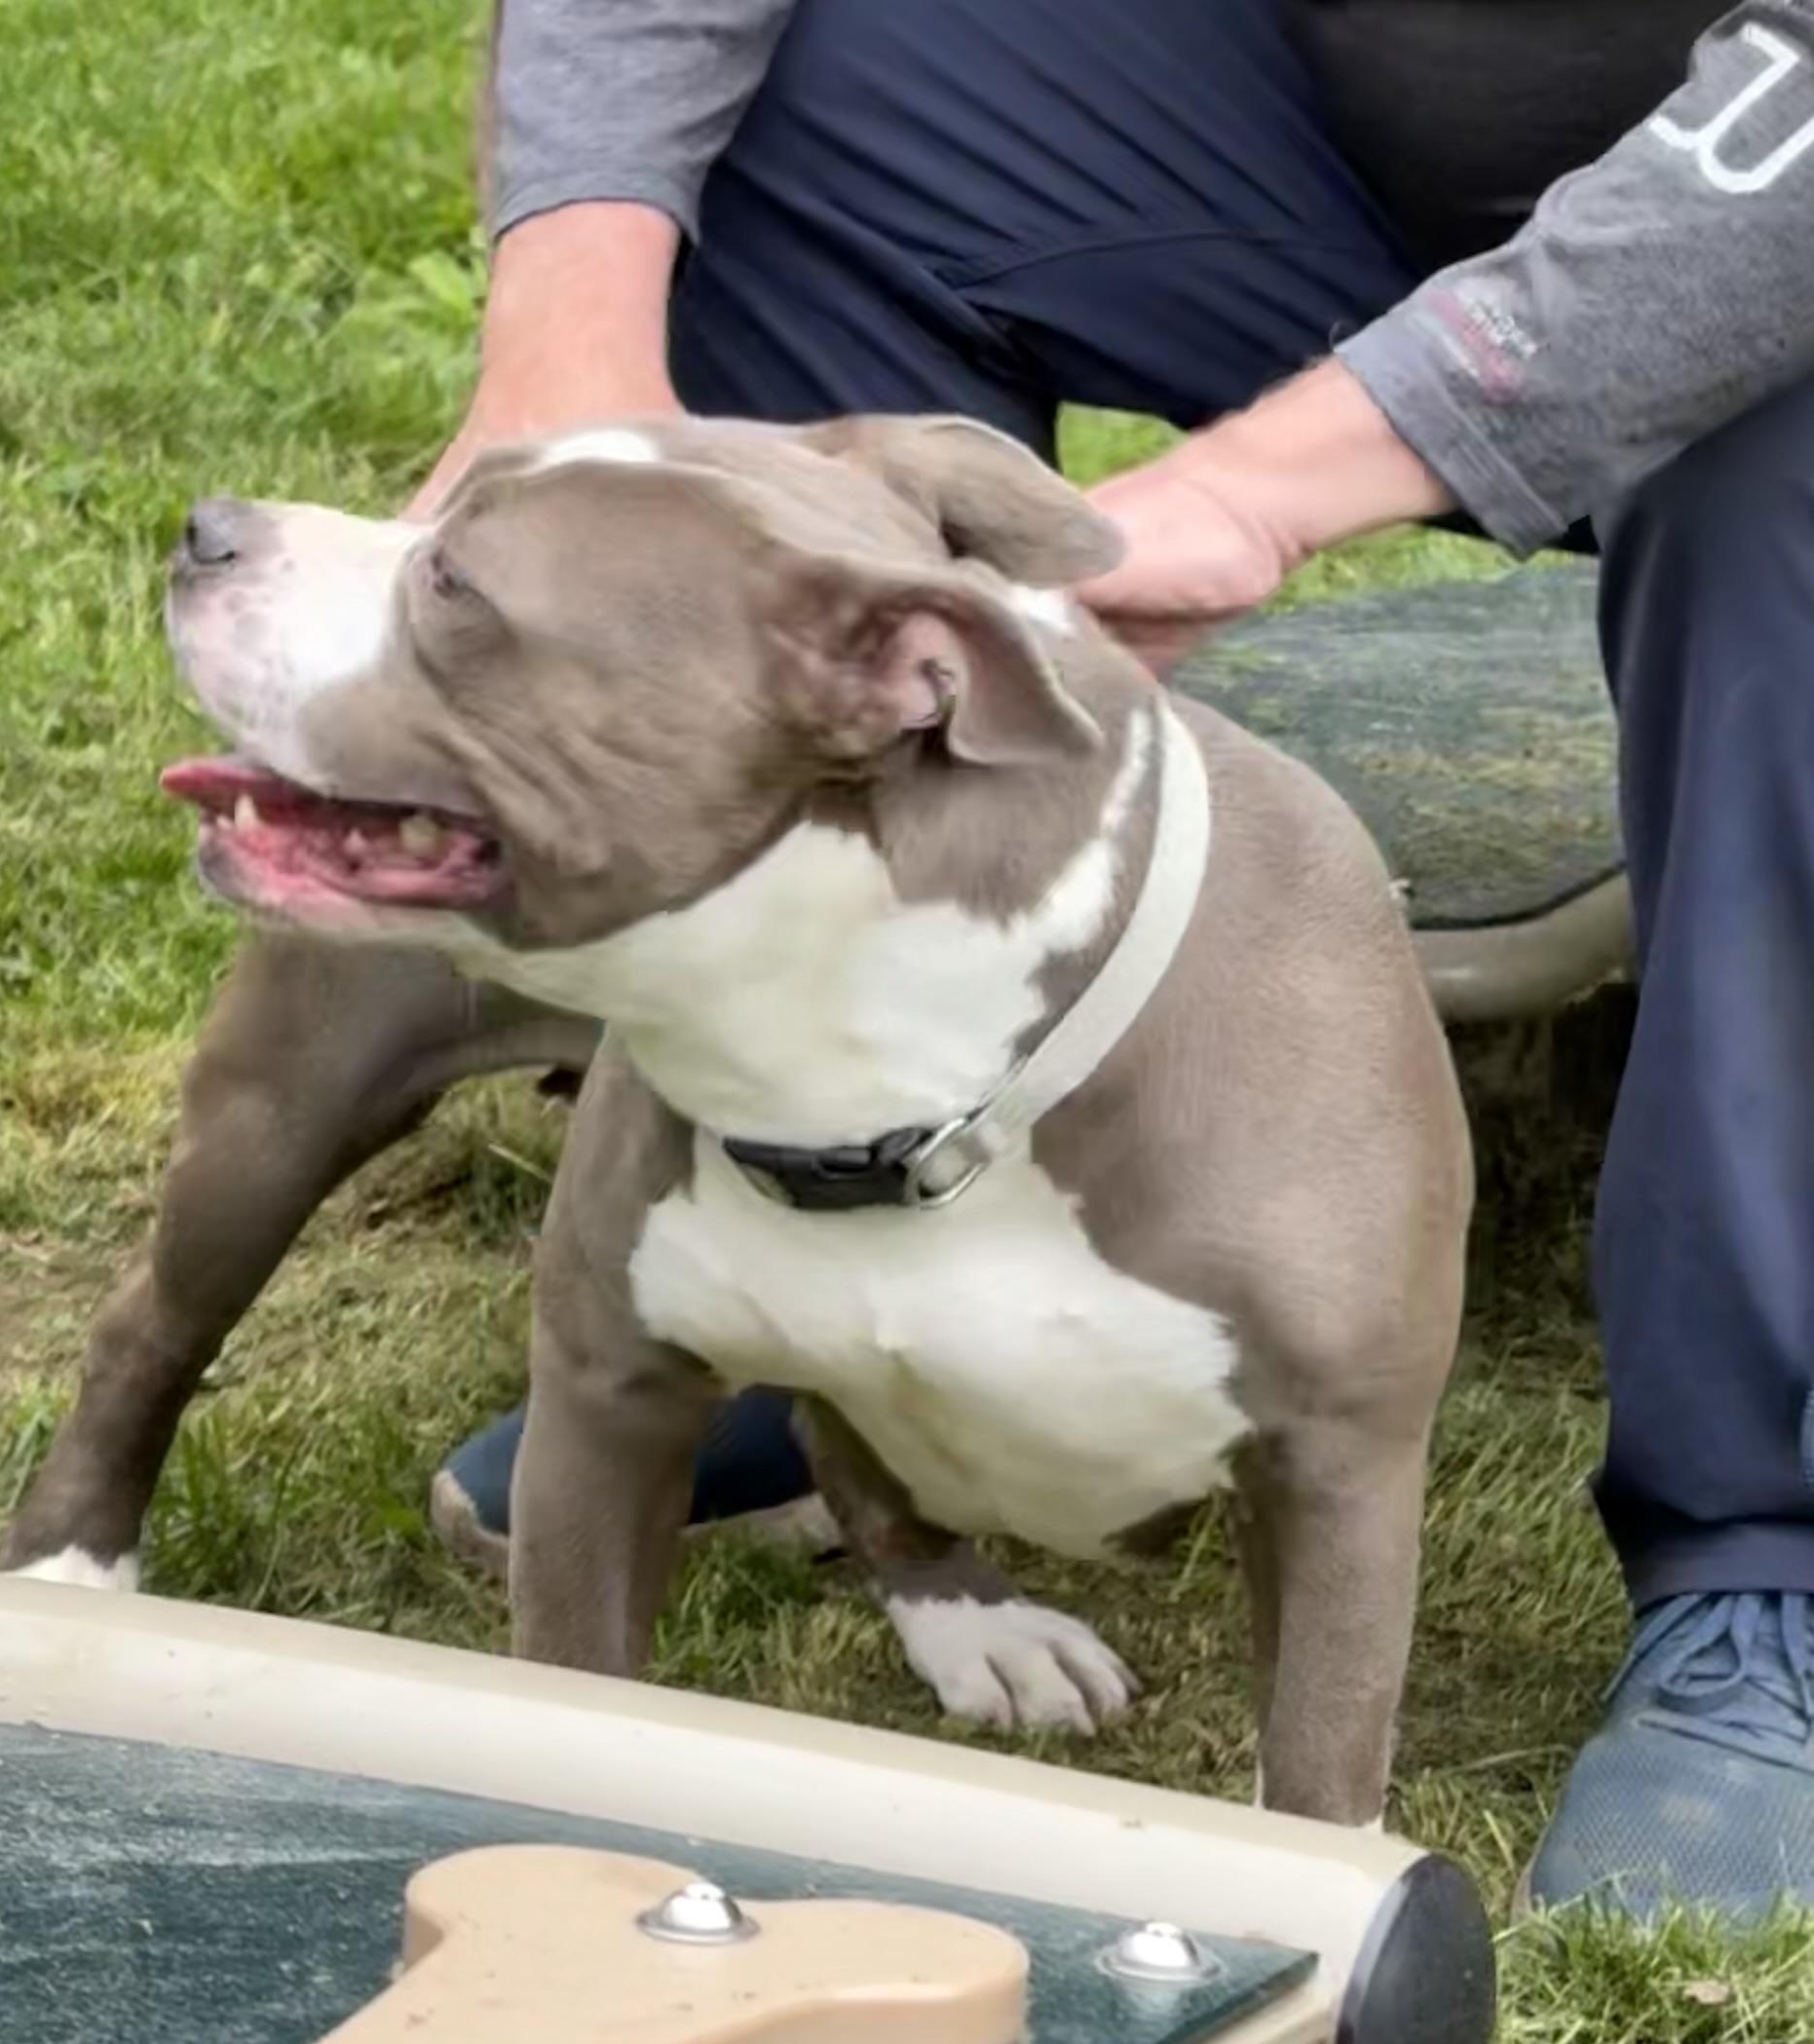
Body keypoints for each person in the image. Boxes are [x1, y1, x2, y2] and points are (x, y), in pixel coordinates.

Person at [423, 0, 1814, 1917]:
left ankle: (1762, 1550)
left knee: (1789, 412)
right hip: (1330, 138)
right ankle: (817, 1238)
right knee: (815, 104)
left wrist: (1280, 477)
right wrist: (570, 350)